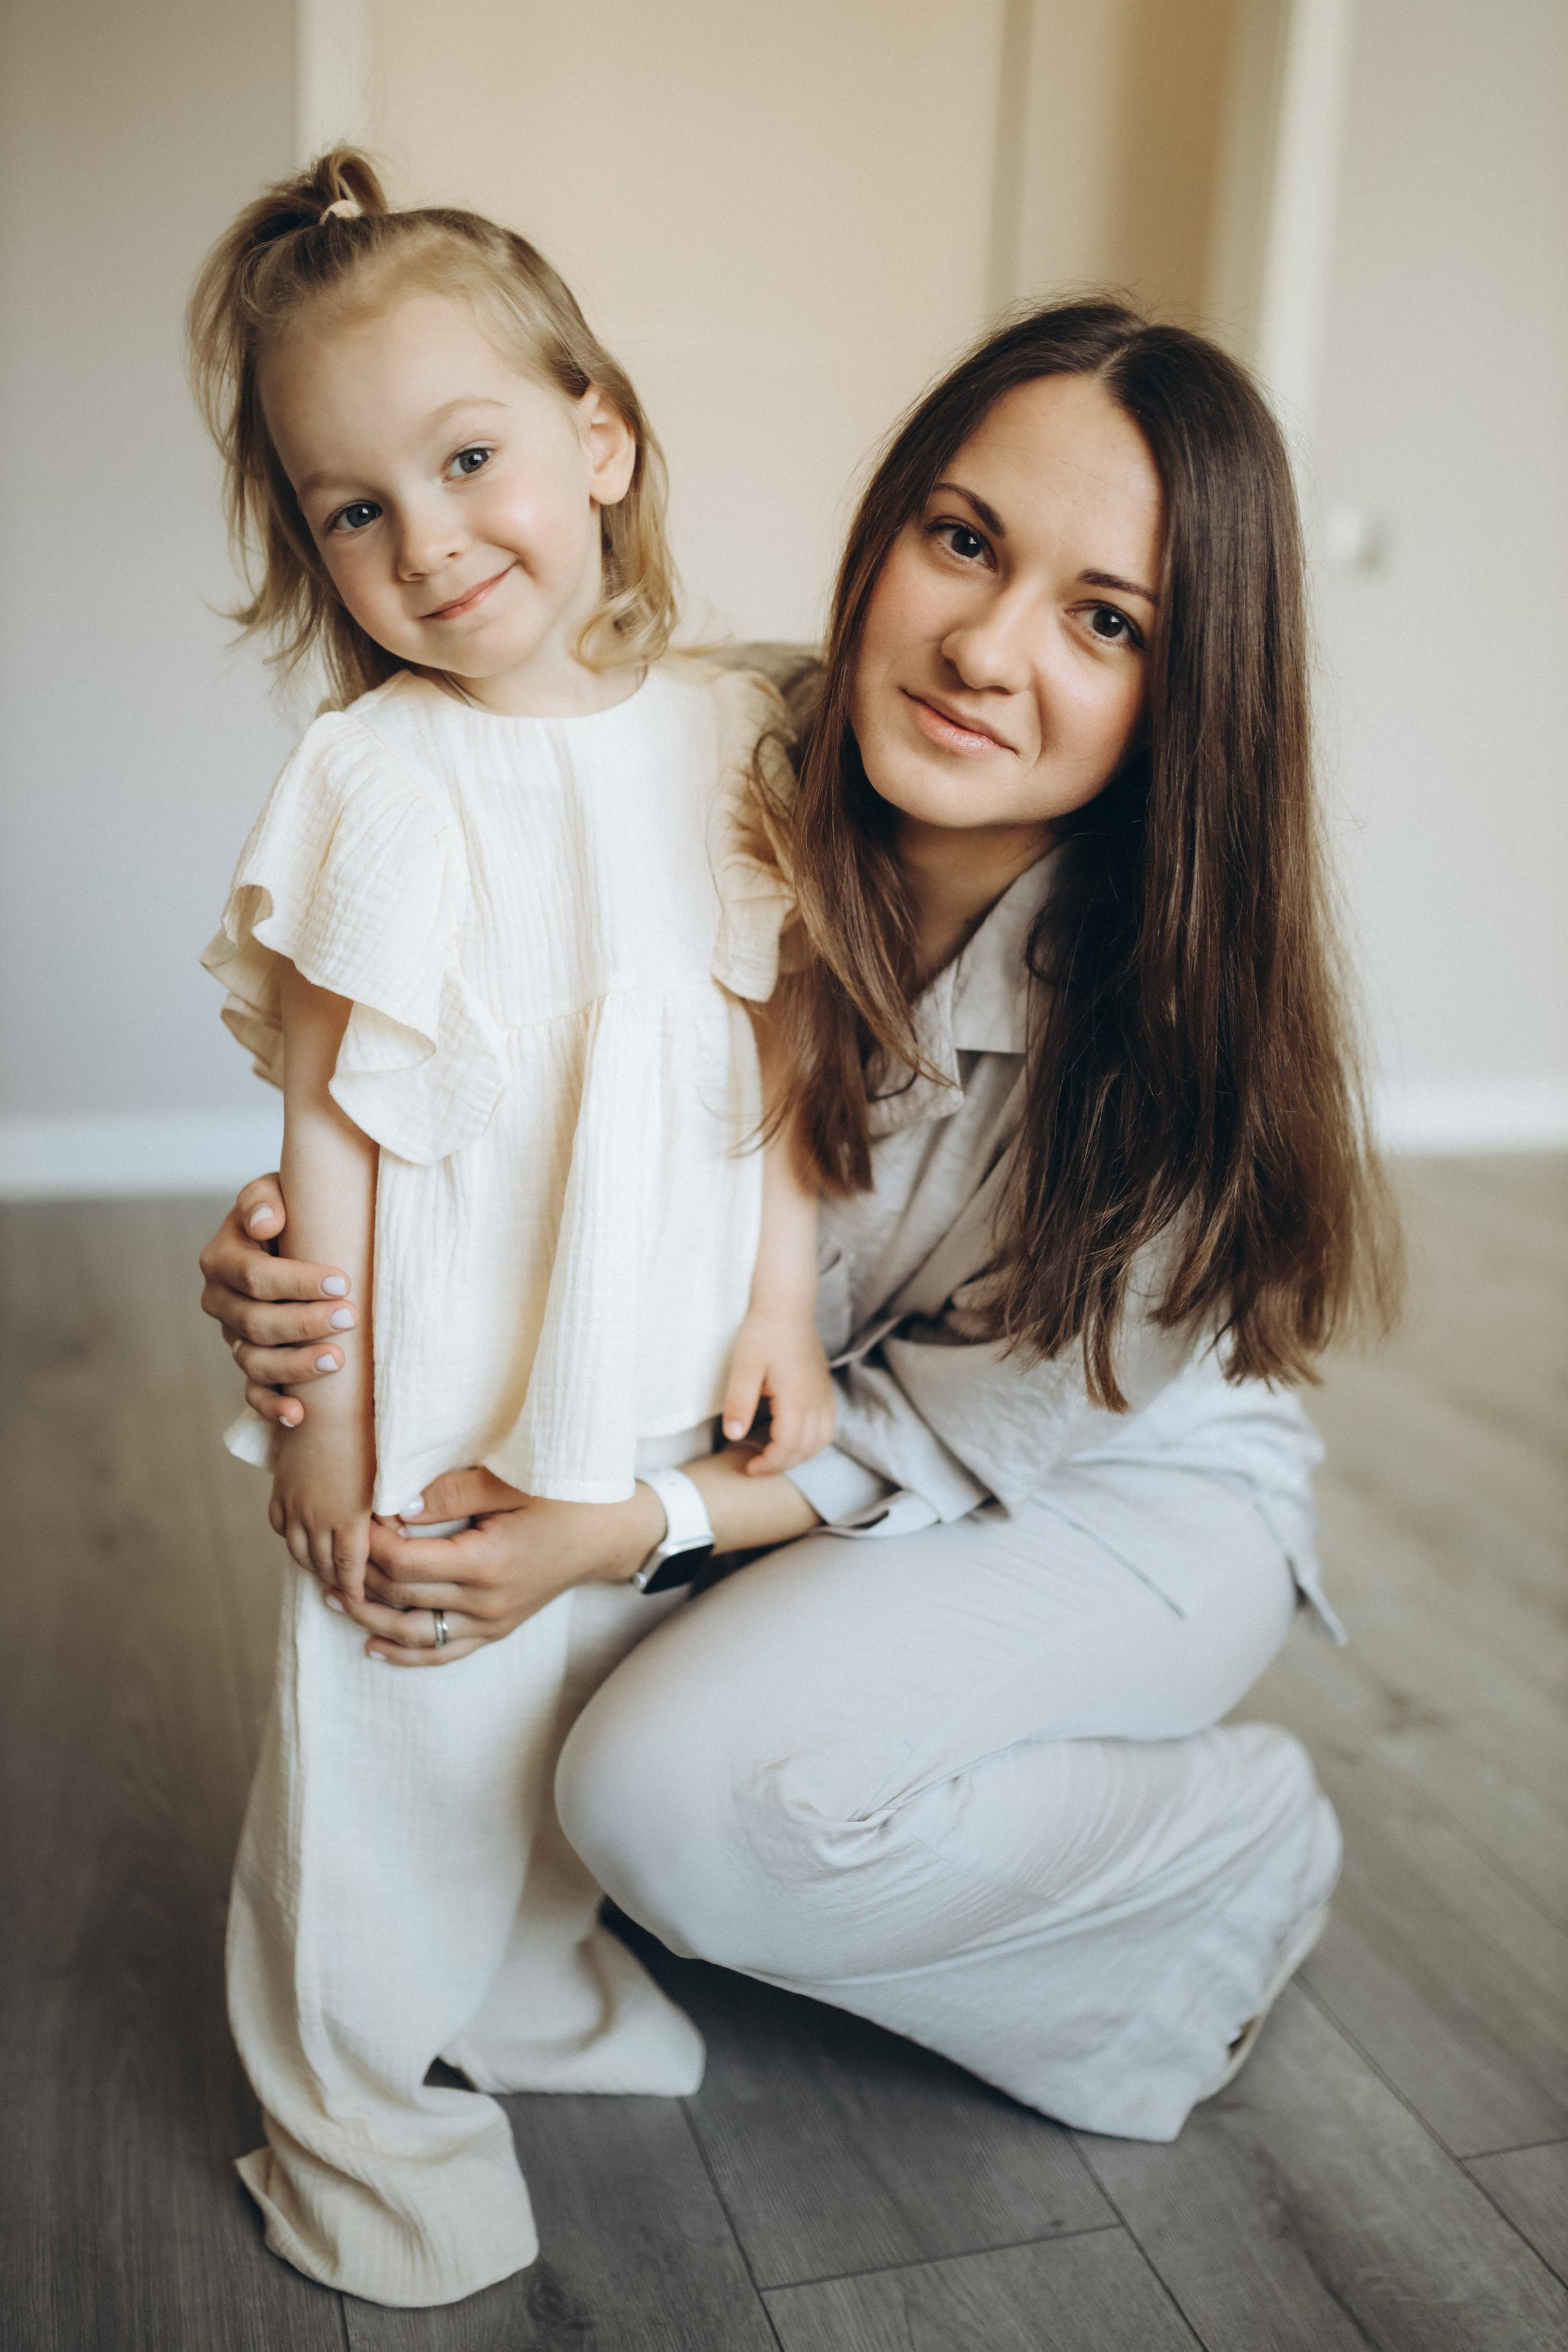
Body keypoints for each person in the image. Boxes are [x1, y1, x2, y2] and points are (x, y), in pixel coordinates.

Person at [201, 295, 1400, 2310]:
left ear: (1195, 688)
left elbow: (941, 1433)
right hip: (769, 1430)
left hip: (1097, 1490)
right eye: (962, 538)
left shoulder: (1185, 1025)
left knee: (669, 1798)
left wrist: (633, 1531)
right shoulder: (700, 749)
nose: (988, 646)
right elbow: (461, 1095)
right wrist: (294, 1258)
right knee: (524, 1748)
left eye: (1108, 621)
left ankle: (1216, 1865)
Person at [188, 149, 834, 2308]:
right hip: (449, 1354)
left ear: (602, 438)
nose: (429, 539)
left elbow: (782, 1060)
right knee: (403, 1723)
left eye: (468, 459)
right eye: (351, 509)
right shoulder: (381, 781)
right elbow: (332, 1134)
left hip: (641, 1344)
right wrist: (323, 1423)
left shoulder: (738, 739)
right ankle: (350, 2096)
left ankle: (530, 1978)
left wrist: (782, 1305)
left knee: (573, 1698)